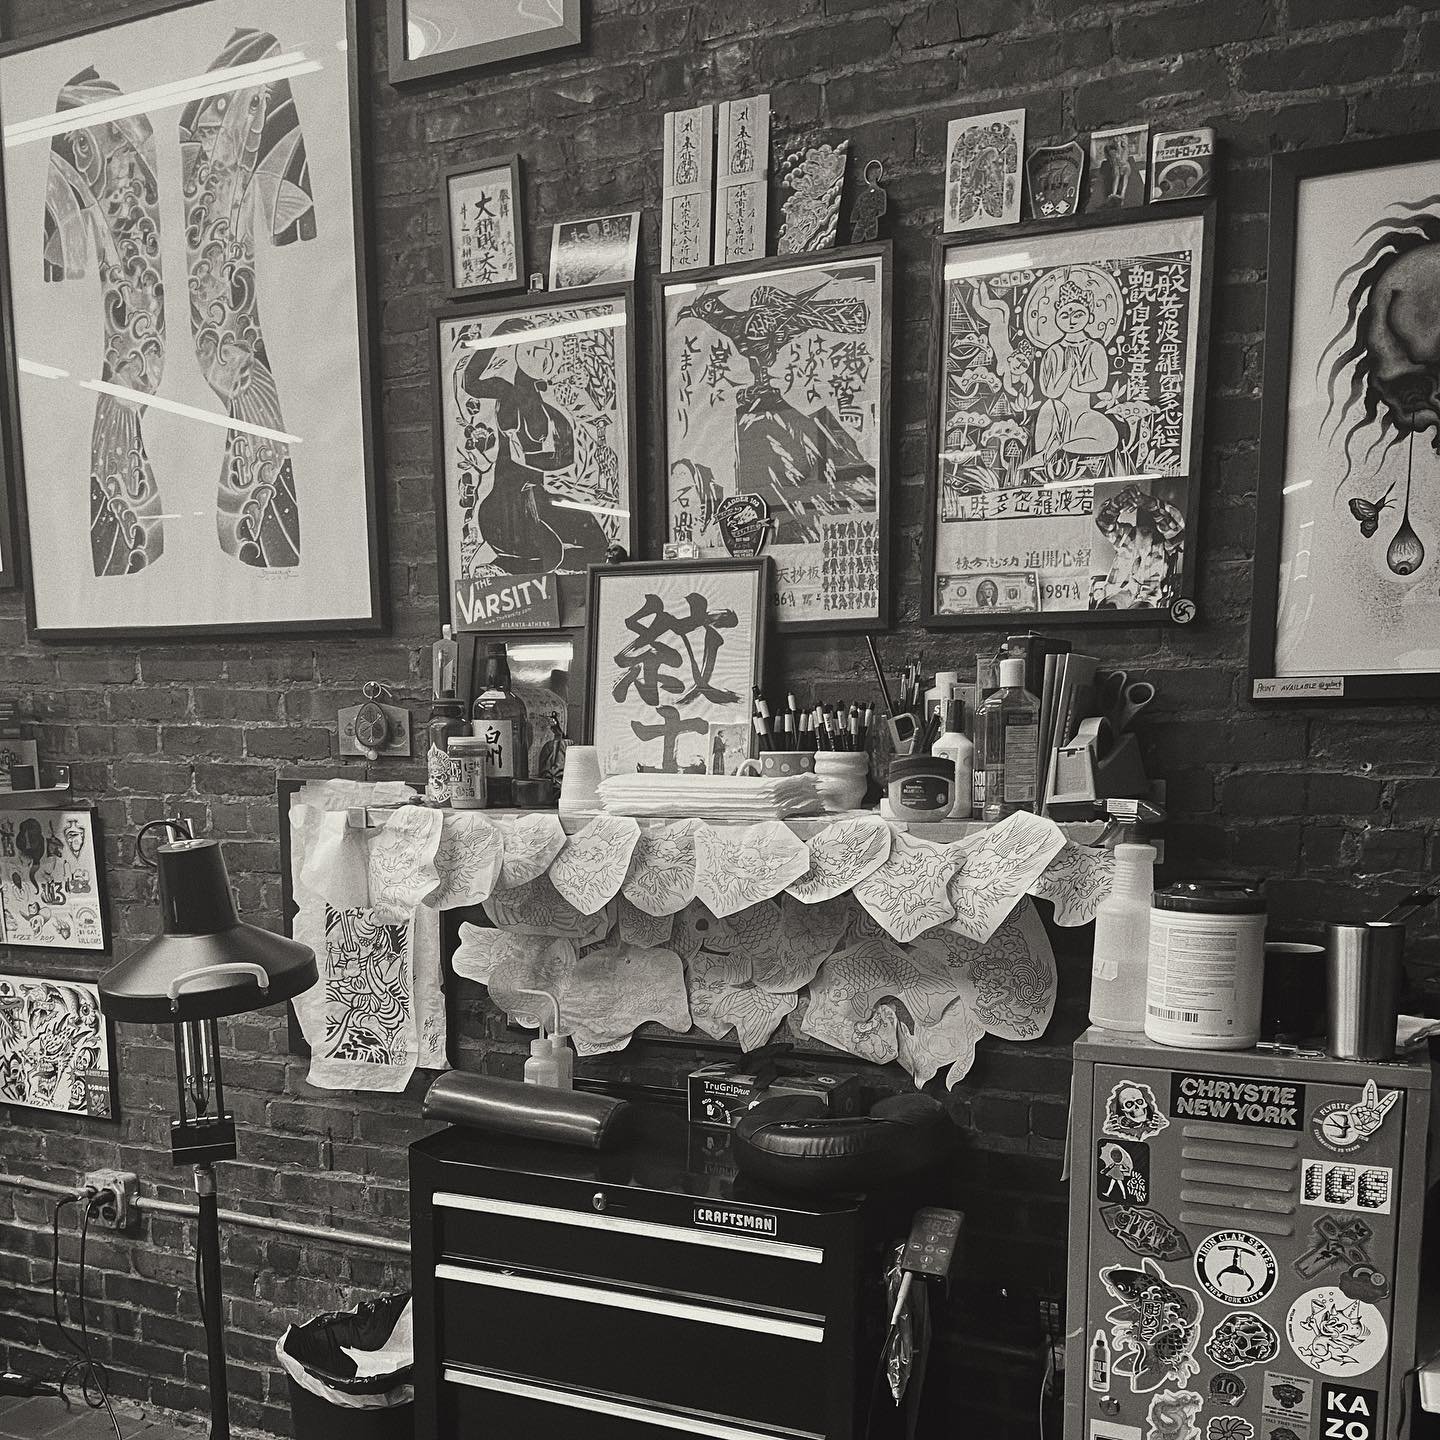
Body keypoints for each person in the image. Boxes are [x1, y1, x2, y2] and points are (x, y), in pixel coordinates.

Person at [1022, 275, 1120, 472]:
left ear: (1090, 317)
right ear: (1056, 318)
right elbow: (1050, 391)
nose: (1072, 320)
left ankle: (1063, 448)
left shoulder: (1095, 348)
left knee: (1111, 438)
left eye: (1078, 314)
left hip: (1085, 413)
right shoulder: (1053, 351)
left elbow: (1099, 384)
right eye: (1065, 315)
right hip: (1058, 411)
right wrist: (1068, 372)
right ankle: (1049, 455)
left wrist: (1075, 379)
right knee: (1048, 409)